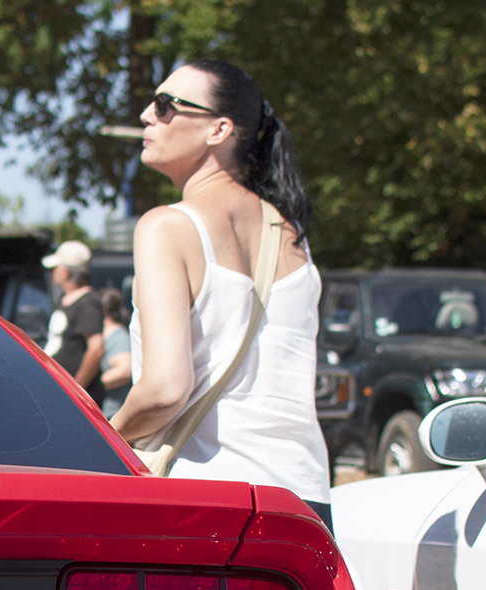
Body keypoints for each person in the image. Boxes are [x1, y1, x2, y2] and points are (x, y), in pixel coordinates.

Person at [109, 59, 330, 527]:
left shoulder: (167, 226)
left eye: (166, 106)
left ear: (219, 129)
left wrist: (100, 441)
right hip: (304, 499)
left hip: (208, 497)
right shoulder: (292, 236)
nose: (148, 115)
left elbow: (167, 388)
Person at [41, 241, 104, 401]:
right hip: (55, 389)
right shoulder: (63, 300)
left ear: (65, 272)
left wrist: (77, 388)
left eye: (56, 267)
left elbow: (96, 348)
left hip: (76, 399)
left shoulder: (87, 302)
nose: (53, 272)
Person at [96, 287, 134, 417]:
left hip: (113, 414)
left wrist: (93, 384)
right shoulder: (105, 335)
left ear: (104, 311)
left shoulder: (118, 336)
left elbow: (125, 370)